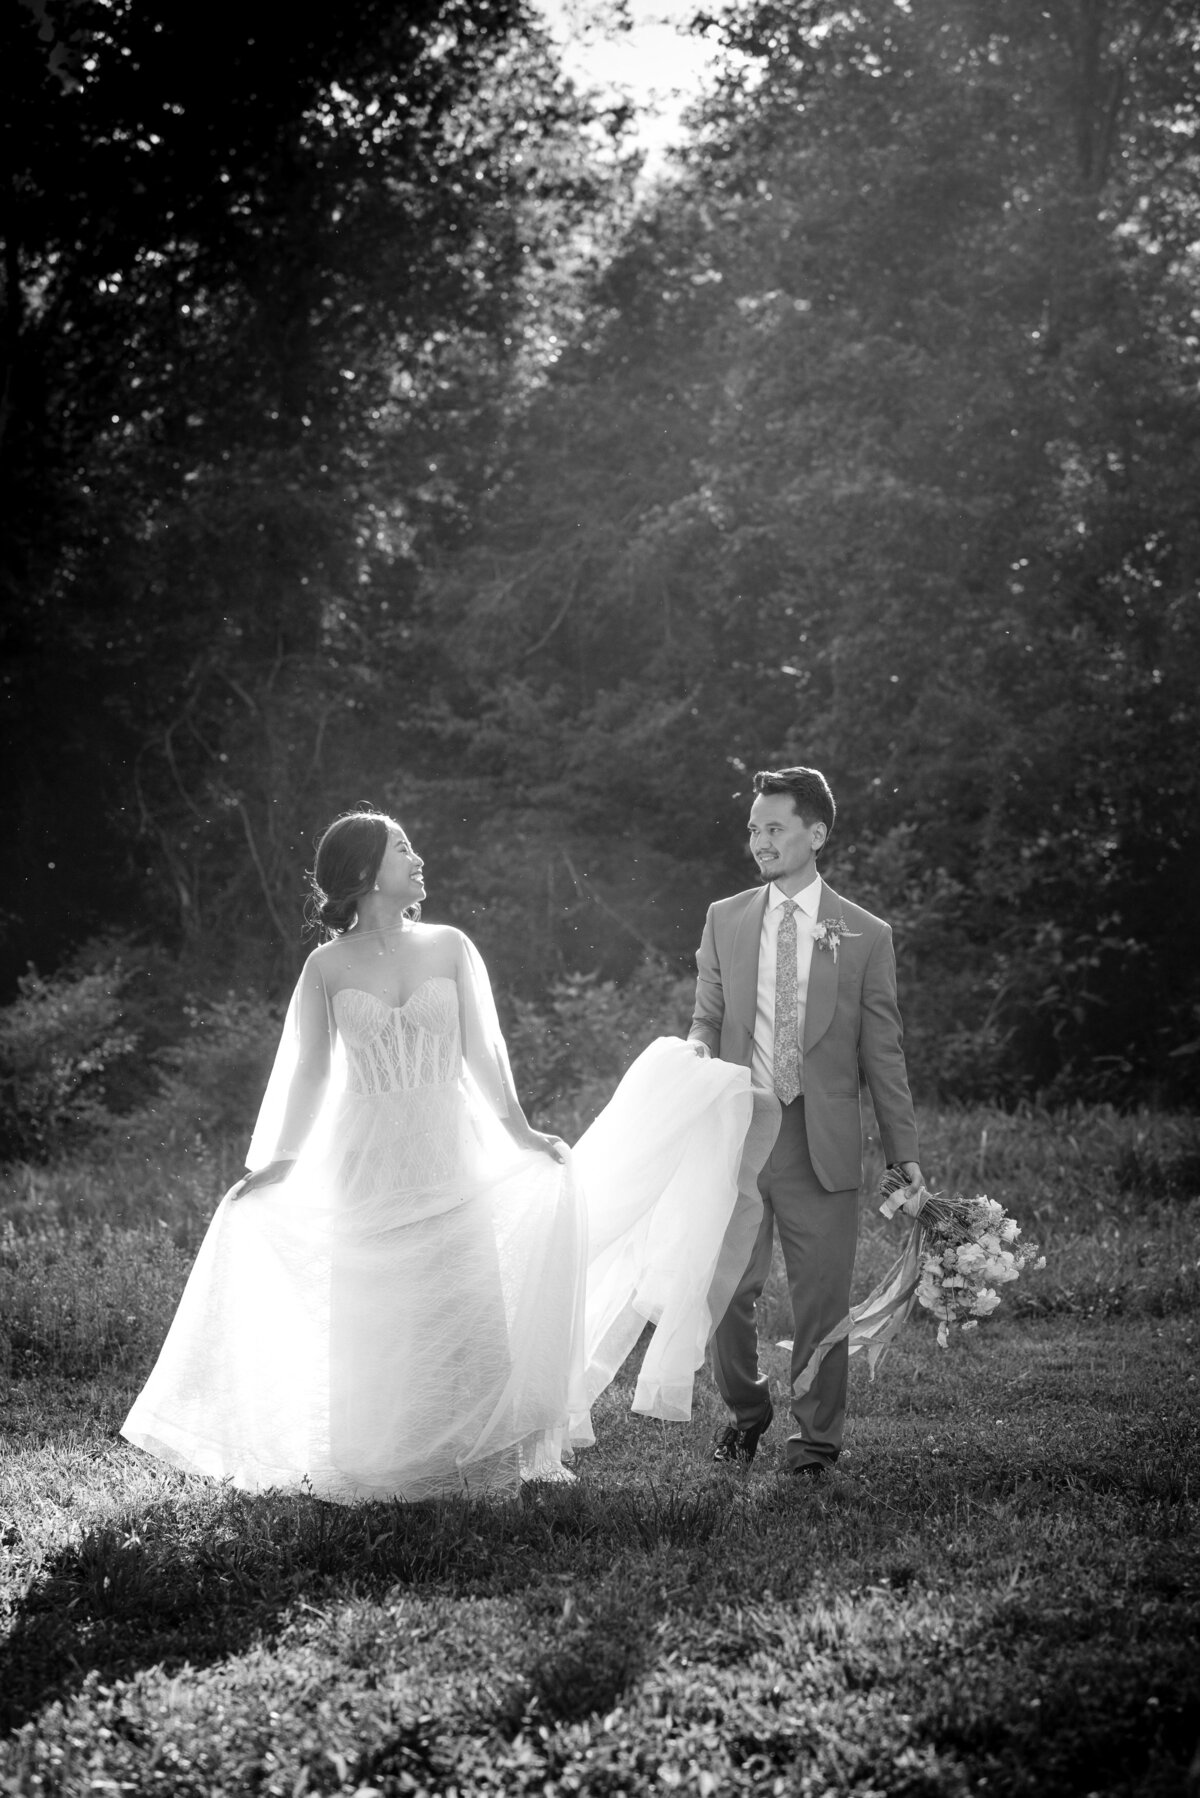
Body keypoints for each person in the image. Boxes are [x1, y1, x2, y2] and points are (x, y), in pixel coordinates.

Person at [123, 807, 777, 1502]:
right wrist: (282, 1160)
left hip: (448, 1141)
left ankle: (474, 1458)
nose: (418, 858)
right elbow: (312, 1071)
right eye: (403, 848)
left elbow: (483, 1051)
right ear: (365, 872)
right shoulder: (325, 966)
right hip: (364, 1153)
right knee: (380, 1310)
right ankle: (378, 1462)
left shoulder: (450, 946)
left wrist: (522, 1133)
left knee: (462, 1297)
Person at [688, 766, 923, 1478]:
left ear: (816, 834)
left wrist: (902, 1151)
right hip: (741, 1135)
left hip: (821, 1141)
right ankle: (747, 1408)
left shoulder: (866, 935)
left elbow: (882, 1052)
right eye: (754, 829)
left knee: (823, 1301)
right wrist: (695, 1052)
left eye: (775, 828)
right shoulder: (724, 918)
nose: (759, 841)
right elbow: (708, 1015)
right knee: (725, 1290)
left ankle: (814, 1444)